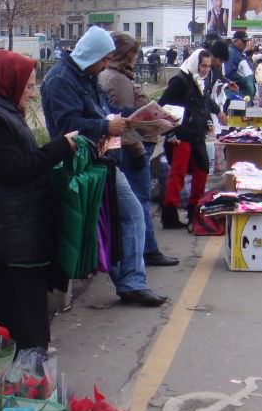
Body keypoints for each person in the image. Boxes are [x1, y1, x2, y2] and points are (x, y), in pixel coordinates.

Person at [0, 51, 77, 349]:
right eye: (28, 87)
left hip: (16, 233)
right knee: (22, 326)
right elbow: (15, 170)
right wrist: (59, 148)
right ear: (7, 83)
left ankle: (19, 385)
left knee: (19, 323)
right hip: (11, 240)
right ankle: (22, 387)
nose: (33, 94)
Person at [40, 26, 167, 307]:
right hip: (83, 163)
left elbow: (98, 112)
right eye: (104, 59)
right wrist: (106, 125)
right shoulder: (61, 80)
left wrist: (133, 119)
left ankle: (132, 282)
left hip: (101, 159)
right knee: (127, 214)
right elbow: (67, 127)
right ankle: (131, 282)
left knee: (127, 215)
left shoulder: (85, 76)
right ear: (91, 55)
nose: (106, 65)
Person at [99, 33, 178, 267]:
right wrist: (137, 151)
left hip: (131, 146)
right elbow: (126, 122)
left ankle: (143, 250)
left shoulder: (114, 76)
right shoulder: (118, 79)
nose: (136, 58)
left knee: (135, 203)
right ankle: (147, 250)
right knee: (138, 202)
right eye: (133, 53)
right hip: (132, 149)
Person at [158, 49, 213, 228]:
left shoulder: (198, 81)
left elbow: (202, 106)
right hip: (181, 136)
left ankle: (194, 210)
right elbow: (162, 107)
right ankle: (170, 215)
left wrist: (208, 121)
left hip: (196, 135)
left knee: (202, 170)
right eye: (203, 65)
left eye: (208, 66)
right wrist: (170, 134)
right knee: (178, 174)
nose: (205, 70)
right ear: (195, 63)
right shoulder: (180, 80)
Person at [225, 30, 256, 100]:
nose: (246, 44)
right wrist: (246, 82)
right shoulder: (231, 53)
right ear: (235, 41)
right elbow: (229, 73)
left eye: (247, 41)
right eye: (244, 41)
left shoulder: (240, 54)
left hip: (243, 95)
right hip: (236, 95)